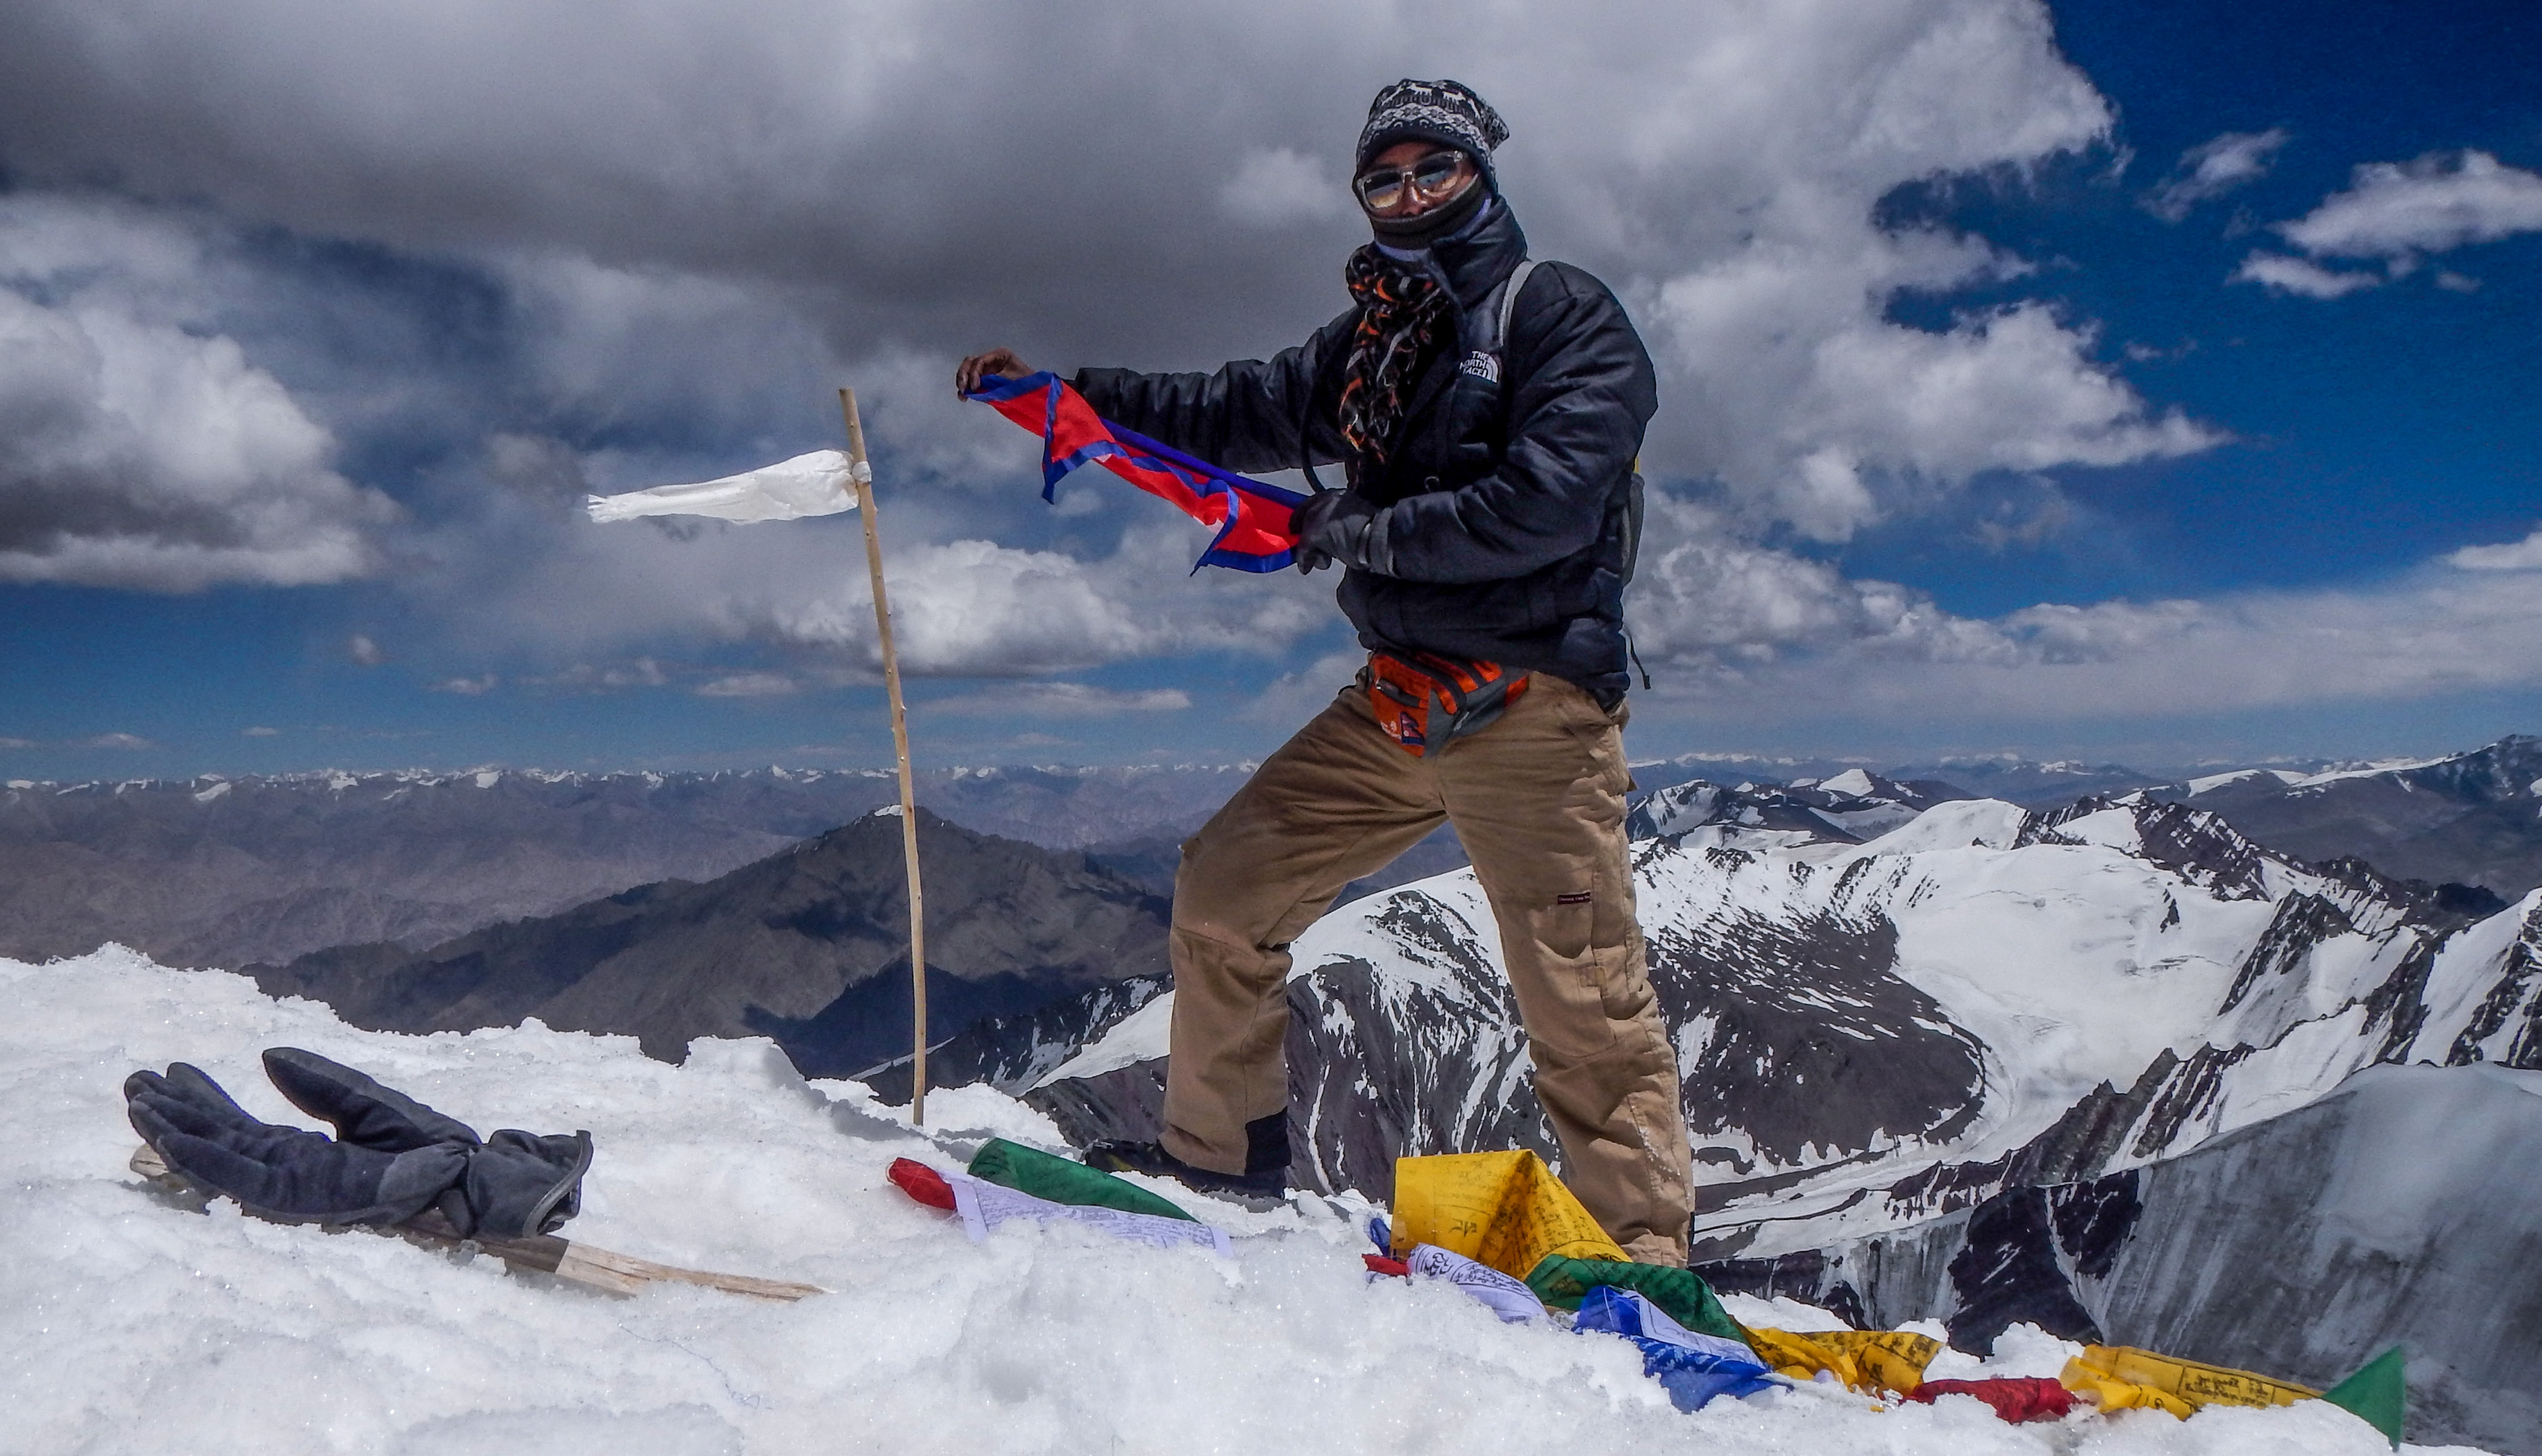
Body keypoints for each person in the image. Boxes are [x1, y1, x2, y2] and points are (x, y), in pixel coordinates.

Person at [956, 79, 1694, 1264]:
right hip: (1402, 697)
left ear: (1481, 175)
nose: (1407, 195)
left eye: (1432, 170)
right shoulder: (1371, 342)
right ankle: (1216, 1163)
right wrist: (1066, 397)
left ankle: (1644, 1268)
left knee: (1580, 991)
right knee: (1226, 891)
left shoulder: (1559, 314)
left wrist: (1356, 532)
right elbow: (1231, 408)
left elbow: (1550, 507)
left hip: (1533, 707)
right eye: (1384, 178)